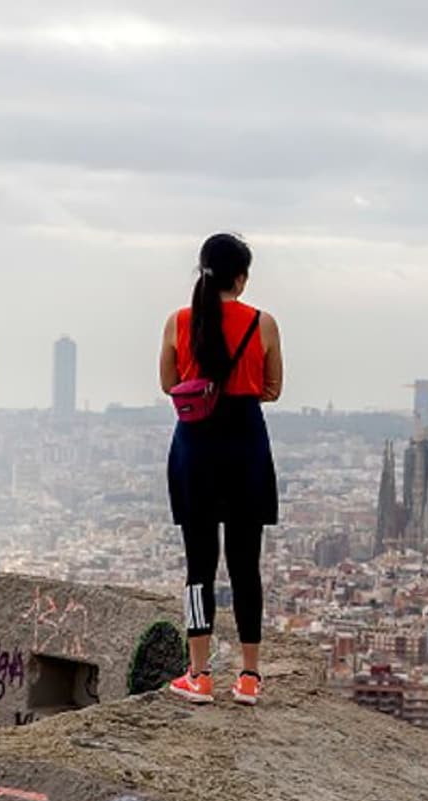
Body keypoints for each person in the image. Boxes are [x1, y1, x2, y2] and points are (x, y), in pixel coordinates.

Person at [159, 233, 282, 705]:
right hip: (246, 445)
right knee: (246, 566)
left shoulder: (179, 321)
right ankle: (249, 677)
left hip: (196, 447)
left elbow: (169, 383)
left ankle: (199, 674)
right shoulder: (262, 323)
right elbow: (273, 388)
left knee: (199, 567)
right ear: (242, 278)